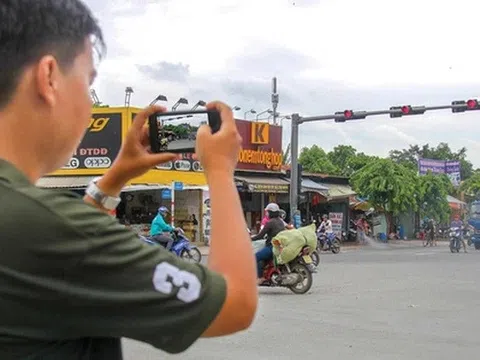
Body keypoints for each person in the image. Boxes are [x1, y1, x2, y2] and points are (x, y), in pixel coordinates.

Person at [0, 1, 257, 358]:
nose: (90, 105)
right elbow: (235, 301)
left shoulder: (45, 229)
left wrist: (116, 177)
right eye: (88, 82)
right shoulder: (49, 229)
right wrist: (219, 171)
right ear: (49, 78)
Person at [251, 203, 286, 284]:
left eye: (267, 212)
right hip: (279, 246)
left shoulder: (270, 222)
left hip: (272, 247)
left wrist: (250, 238)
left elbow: (260, 235)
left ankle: (260, 278)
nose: (266, 213)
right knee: (261, 259)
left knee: (255, 257)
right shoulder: (280, 221)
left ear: (271, 212)